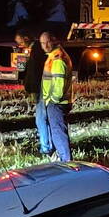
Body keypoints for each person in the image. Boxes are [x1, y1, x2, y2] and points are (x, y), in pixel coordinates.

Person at [39, 32, 73, 161]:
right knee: (57, 131)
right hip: (57, 102)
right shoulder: (54, 56)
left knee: (58, 132)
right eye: (42, 43)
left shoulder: (57, 59)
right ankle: (63, 159)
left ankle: (66, 162)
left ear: (53, 40)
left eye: (47, 42)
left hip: (57, 102)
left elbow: (59, 83)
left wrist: (53, 100)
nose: (45, 45)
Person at [15, 30, 50, 155]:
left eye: (20, 42)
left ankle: (46, 148)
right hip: (40, 88)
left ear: (26, 38)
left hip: (40, 88)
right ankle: (48, 146)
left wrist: (32, 89)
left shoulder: (36, 50)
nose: (20, 45)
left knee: (41, 119)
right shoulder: (33, 49)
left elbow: (35, 72)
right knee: (43, 118)